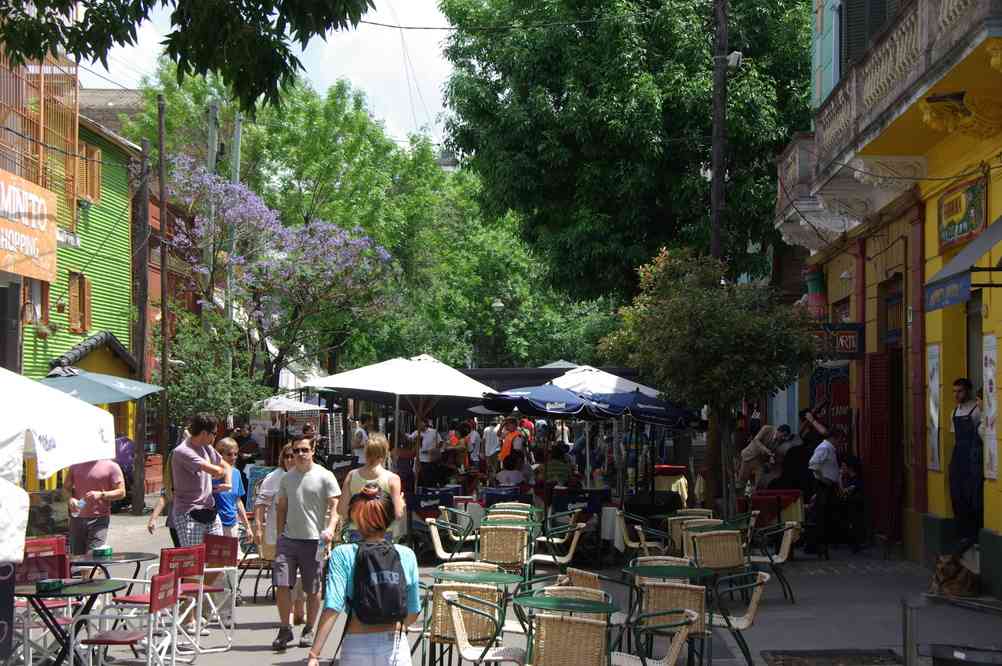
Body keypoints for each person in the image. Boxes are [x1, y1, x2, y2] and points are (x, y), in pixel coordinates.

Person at [306, 484, 421, 666]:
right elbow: (414, 609)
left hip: (356, 645)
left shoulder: (343, 554)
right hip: (396, 646)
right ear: (389, 518)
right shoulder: (406, 554)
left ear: (356, 519)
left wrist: (314, 654)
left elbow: (333, 606)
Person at [273, 437, 341, 651]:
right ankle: (285, 628)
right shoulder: (287, 478)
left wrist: (330, 528)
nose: (300, 454)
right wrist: (279, 536)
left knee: (313, 588)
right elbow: (281, 507)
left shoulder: (324, 475)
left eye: (304, 450)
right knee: (282, 584)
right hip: (289, 540)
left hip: (315, 541)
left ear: (312, 451)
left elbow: (336, 506)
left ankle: (309, 628)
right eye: (296, 451)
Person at [256, 442, 308, 626]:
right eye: (286, 456)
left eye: (292, 455)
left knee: (301, 573)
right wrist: (258, 527)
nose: (289, 459)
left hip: (304, 532)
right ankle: (292, 610)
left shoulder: (306, 476)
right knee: (287, 573)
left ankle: (299, 604)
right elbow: (261, 503)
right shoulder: (275, 477)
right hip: (281, 532)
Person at [171, 414, 231, 547]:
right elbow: (216, 470)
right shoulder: (183, 451)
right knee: (194, 561)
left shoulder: (206, 447)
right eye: (214, 433)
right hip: (189, 513)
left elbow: (226, 465)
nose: (216, 437)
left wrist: (228, 483)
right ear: (204, 433)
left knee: (217, 559)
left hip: (209, 511)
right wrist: (220, 472)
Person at [337, 434, 405, 541]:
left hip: (357, 531)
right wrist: (401, 502)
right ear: (385, 453)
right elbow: (398, 514)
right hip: (383, 534)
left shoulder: (351, 475)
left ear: (365, 452)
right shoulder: (393, 479)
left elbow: (341, 510)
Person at [65, 458, 126, 555]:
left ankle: (95, 569)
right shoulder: (75, 465)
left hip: (99, 519)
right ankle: (95, 570)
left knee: (93, 557)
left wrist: (102, 494)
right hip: (77, 518)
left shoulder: (111, 466)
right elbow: (66, 489)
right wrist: (70, 499)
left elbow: (122, 492)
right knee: (77, 559)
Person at [950, 377, 984, 544]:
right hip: (958, 455)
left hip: (972, 455)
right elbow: (953, 435)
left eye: (960, 391)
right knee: (957, 493)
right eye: (954, 391)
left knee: (971, 494)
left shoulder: (976, 410)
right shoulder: (954, 411)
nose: (957, 395)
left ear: (968, 391)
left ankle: (973, 532)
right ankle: (962, 531)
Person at [807, 426, 844, 557]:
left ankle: (823, 545)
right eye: (840, 439)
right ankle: (819, 546)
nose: (841, 442)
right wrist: (823, 479)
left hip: (828, 485)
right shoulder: (824, 448)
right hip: (823, 486)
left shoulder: (830, 448)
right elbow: (813, 464)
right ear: (834, 438)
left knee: (826, 515)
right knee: (821, 516)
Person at [212, 438, 252, 552]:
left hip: (232, 523)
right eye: (229, 454)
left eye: (236, 454)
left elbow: (238, 501)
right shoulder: (211, 472)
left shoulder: (236, 473)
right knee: (215, 564)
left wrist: (247, 527)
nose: (233, 457)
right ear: (219, 454)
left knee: (232, 564)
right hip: (215, 524)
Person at [737, 425, 779, 490]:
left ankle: (754, 498)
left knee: (759, 484)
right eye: (783, 436)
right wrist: (766, 450)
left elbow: (772, 452)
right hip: (749, 456)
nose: (782, 439)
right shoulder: (767, 428)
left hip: (760, 462)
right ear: (780, 432)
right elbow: (756, 440)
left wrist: (770, 459)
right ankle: (741, 498)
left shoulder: (778, 442)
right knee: (742, 482)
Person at [838, 455, 865, 552]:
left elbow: (844, 491)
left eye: (843, 466)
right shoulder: (849, 479)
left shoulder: (856, 479)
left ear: (849, 467)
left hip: (856, 506)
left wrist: (839, 478)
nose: (841, 468)